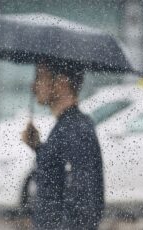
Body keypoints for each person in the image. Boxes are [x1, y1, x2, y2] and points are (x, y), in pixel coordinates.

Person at [22, 61, 104, 230]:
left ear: (61, 82)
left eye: (40, 77)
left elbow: (86, 199)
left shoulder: (75, 128)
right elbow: (57, 178)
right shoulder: (67, 126)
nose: (33, 86)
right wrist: (37, 147)